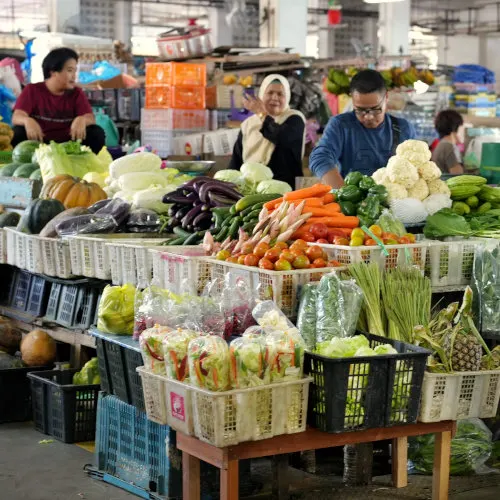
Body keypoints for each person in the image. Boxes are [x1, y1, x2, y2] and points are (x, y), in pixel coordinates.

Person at [309, 69, 416, 188]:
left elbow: (418, 167)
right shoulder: (340, 125)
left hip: (396, 203)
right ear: (352, 100)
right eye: (360, 110)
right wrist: (342, 192)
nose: (368, 116)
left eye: (376, 109)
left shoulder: (403, 128)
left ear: (386, 97)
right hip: (353, 201)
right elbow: (320, 156)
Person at [11, 47, 105, 154]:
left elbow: (90, 118)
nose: (74, 76)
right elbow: (17, 116)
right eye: (70, 70)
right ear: (53, 72)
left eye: (75, 71)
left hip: (69, 145)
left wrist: (82, 119)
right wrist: (27, 121)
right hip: (39, 145)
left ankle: (86, 163)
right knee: (17, 132)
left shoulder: (76, 93)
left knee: (96, 132)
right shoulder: (32, 90)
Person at [229, 74, 306, 188]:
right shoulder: (248, 124)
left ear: (287, 97)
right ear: (261, 95)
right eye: (270, 93)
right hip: (249, 189)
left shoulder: (295, 119)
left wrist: (262, 114)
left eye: (280, 94)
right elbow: (236, 160)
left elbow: (282, 137)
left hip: (284, 190)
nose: (275, 97)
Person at [431, 110, 464, 175]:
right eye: (462, 127)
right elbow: (458, 174)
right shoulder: (448, 146)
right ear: (455, 127)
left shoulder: (442, 144)